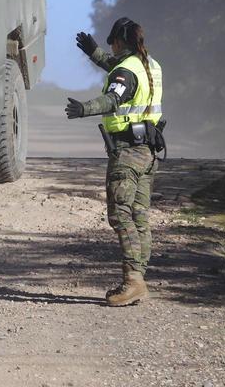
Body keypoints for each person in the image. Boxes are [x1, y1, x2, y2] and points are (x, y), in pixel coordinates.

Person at [64, 17, 164, 307]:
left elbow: (113, 98)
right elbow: (118, 70)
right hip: (148, 151)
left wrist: (84, 108)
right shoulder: (149, 65)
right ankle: (139, 280)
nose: (111, 47)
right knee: (139, 217)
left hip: (128, 154)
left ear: (121, 42)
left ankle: (133, 281)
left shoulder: (128, 71)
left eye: (112, 42)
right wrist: (94, 53)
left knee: (120, 215)